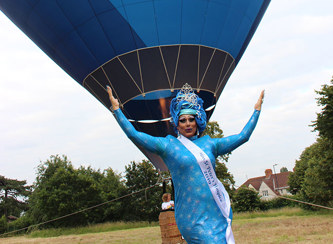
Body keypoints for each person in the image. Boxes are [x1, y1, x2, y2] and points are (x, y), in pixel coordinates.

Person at [107, 83, 264, 244]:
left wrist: (256, 111)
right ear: (176, 123)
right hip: (191, 217)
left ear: (198, 121)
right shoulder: (168, 146)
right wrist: (117, 110)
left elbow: (242, 137)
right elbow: (135, 135)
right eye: (183, 120)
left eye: (191, 119)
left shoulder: (210, 144)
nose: (188, 123)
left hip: (215, 213)